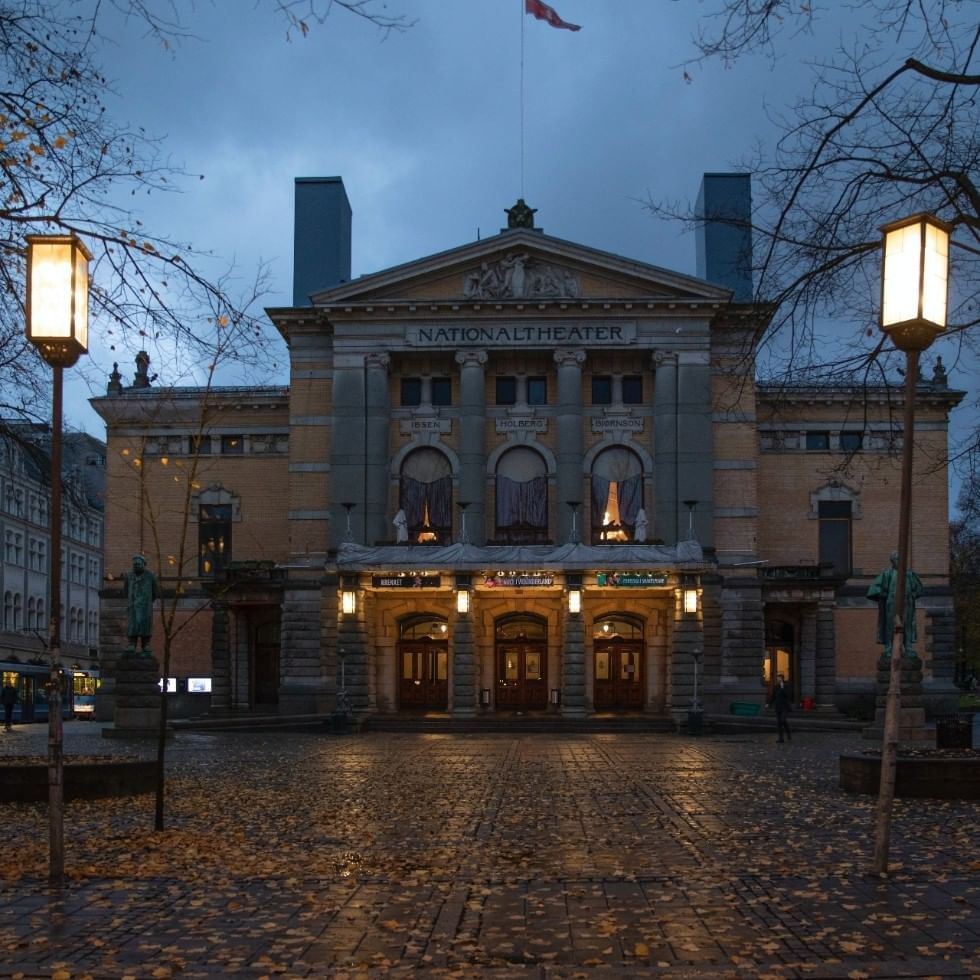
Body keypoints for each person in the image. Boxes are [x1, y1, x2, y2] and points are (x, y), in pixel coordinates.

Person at [867, 551, 923, 657]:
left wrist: (912, 594)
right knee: (890, 625)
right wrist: (882, 594)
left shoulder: (909, 574)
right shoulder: (887, 574)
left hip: (907, 603)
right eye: (897, 560)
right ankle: (889, 648)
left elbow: (919, 589)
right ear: (892, 561)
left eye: (901, 560)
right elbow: (875, 588)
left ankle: (908, 647)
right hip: (891, 603)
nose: (899, 562)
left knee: (907, 625)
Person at [123, 554, 160, 655]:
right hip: (133, 606)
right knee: (132, 626)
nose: (136, 566)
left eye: (138, 564)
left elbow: (155, 591)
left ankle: (146, 645)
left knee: (145, 626)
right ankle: (131, 644)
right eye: (134, 564)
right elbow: (125, 591)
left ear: (144, 564)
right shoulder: (129, 576)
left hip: (145, 607)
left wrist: (147, 602)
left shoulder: (150, 576)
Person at [768, 673, 792, 743]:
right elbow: (773, 696)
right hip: (778, 707)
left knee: (782, 720)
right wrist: (769, 704)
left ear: (782, 679)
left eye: (779, 678)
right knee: (779, 723)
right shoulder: (776, 687)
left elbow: (788, 695)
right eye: (777, 678)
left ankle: (788, 733)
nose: (778, 679)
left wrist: (782, 688)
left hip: (785, 707)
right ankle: (781, 738)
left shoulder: (786, 686)